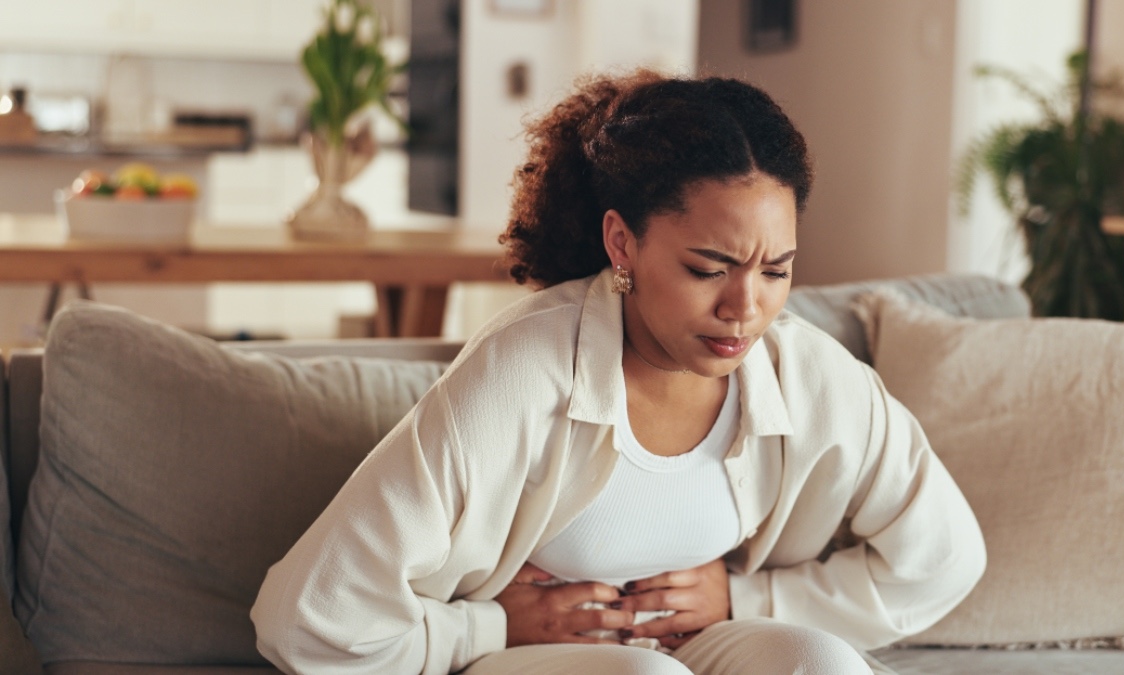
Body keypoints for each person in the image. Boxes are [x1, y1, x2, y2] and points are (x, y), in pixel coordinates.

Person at [251, 70, 986, 675]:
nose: (745, 307)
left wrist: (747, 599)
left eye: (777, 270)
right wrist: (484, 628)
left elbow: (944, 558)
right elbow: (307, 618)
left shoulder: (811, 375)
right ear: (622, 242)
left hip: (702, 646)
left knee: (822, 664)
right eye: (709, 268)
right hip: (530, 659)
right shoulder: (522, 371)